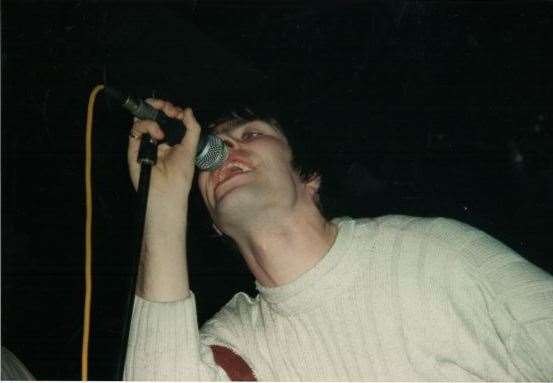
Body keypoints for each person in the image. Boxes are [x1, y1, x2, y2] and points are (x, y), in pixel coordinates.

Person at [123, 99, 553, 381]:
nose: (225, 150)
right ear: (214, 224)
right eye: (211, 152)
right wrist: (160, 204)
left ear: (308, 178)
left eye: (251, 134)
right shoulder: (240, 342)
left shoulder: (433, 250)